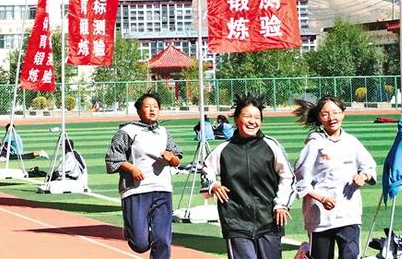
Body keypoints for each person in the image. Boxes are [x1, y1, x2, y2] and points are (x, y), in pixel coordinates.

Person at [202, 93, 295, 259]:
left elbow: (288, 177)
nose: (252, 121)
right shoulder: (224, 150)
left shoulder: (271, 146)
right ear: (236, 119)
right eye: (247, 116)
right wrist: (213, 185)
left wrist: (281, 205)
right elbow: (205, 168)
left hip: (269, 221)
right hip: (235, 222)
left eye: (257, 117)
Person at [293, 96, 377, 259]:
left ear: (343, 113)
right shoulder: (314, 143)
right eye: (325, 114)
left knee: (350, 256)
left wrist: (363, 176)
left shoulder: (352, 142)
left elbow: (368, 166)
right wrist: (322, 198)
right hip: (321, 217)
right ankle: (305, 251)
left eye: (336, 112)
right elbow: (300, 179)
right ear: (319, 118)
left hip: (348, 214)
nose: (331, 118)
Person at [105, 92, 182, 259]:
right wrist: (132, 169)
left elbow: (177, 159)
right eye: (147, 107)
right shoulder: (127, 131)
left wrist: (171, 158)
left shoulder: (164, 132)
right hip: (136, 190)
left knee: (162, 239)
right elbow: (113, 158)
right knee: (140, 244)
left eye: (155, 107)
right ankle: (132, 230)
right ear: (139, 111)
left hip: (162, 189)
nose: (152, 110)